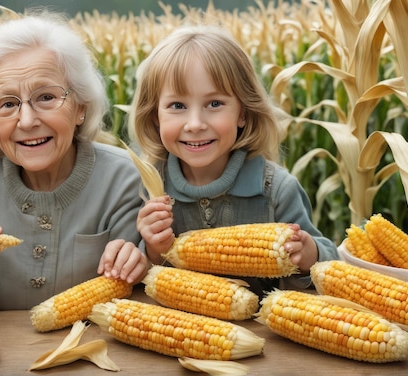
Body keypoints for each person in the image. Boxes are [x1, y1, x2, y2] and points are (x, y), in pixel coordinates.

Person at [0, 11, 149, 310]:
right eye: (7, 104)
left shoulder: (126, 180)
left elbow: (141, 289)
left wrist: (139, 264)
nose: (26, 120)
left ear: (81, 107)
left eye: (46, 97)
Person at [129, 25, 338, 297]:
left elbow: (330, 267)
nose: (194, 124)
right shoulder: (148, 189)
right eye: (177, 106)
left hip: (260, 333)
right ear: (155, 116)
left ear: (243, 113)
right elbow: (141, 279)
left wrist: (309, 255)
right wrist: (153, 250)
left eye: (214, 104)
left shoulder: (276, 190)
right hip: (187, 335)